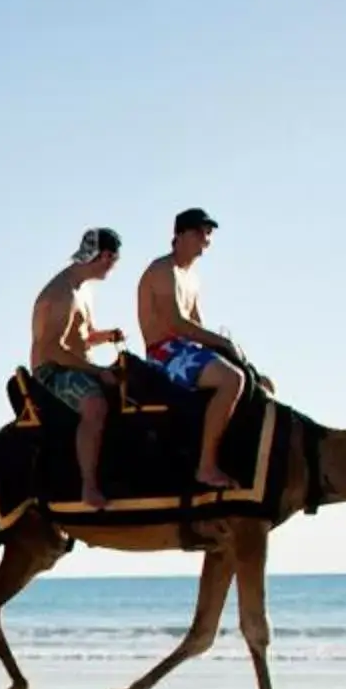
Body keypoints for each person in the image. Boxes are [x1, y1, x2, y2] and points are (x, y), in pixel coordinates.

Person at [134, 208, 249, 490]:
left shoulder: (192, 277)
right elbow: (175, 322)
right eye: (200, 232)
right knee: (233, 379)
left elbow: (195, 323)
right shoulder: (162, 269)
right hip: (164, 352)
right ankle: (206, 467)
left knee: (252, 376)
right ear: (181, 234)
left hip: (184, 347)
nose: (206, 239)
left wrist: (226, 348)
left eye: (208, 233)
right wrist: (222, 344)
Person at [31, 227, 127, 508]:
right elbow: (51, 348)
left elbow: (81, 337)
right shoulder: (63, 293)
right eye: (113, 260)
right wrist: (97, 372)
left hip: (73, 366)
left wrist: (107, 336)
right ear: (105, 256)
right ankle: (89, 486)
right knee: (95, 405)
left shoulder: (82, 290)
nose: (113, 267)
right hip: (52, 371)